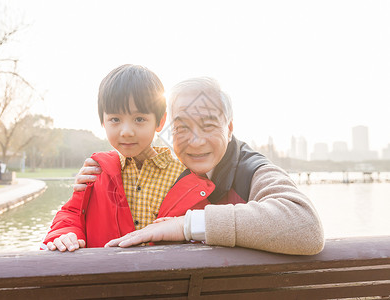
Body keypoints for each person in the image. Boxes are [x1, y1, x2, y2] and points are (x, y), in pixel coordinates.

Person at [75, 77, 325, 255]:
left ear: (229, 129)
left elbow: (307, 227)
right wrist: (90, 185)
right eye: (182, 127)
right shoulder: (170, 173)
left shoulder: (251, 171)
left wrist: (188, 225)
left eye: (208, 126)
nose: (195, 141)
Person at [42, 64, 185, 251]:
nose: (126, 132)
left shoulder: (182, 175)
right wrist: (66, 235)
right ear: (102, 120)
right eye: (115, 119)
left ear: (160, 122)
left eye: (139, 119)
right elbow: (73, 213)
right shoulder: (96, 171)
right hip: (107, 276)